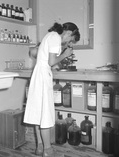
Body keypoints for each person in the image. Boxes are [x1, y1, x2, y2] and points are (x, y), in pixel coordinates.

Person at [23, 22, 80, 157]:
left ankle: (40, 147)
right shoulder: (55, 37)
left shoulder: (50, 35)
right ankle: (48, 151)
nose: (68, 42)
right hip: (43, 76)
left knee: (39, 112)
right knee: (46, 114)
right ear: (68, 33)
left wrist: (63, 48)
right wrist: (65, 54)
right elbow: (51, 62)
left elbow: (42, 55)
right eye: (70, 39)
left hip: (38, 74)